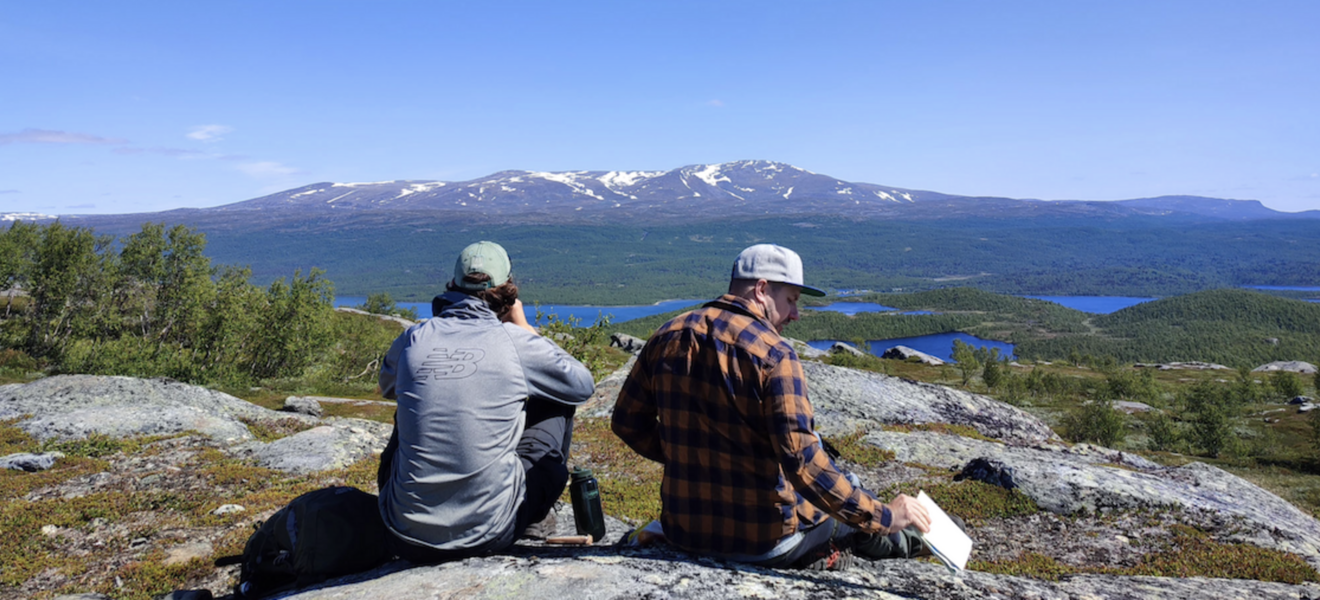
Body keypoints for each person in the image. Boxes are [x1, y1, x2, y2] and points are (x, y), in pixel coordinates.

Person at [611, 243, 932, 569]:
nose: (795, 314)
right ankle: (914, 540)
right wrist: (885, 516)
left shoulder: (667, 335)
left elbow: (627, 423)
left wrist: (688, 457)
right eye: (791, 300)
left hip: (684, 532)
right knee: (848, 498)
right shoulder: (775, 355)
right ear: (762, 290)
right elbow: (804, 466)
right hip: (768, 543)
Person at [376, 241, 595, 563]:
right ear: (509, 292)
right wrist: (525, 329)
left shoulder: (413, 338)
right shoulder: (515, 341)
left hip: (403, 533)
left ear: (452, 285)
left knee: (413, 404)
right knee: (557, 399)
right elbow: (581, 384)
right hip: (490, 532)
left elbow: (388, 386)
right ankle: (532, 519)